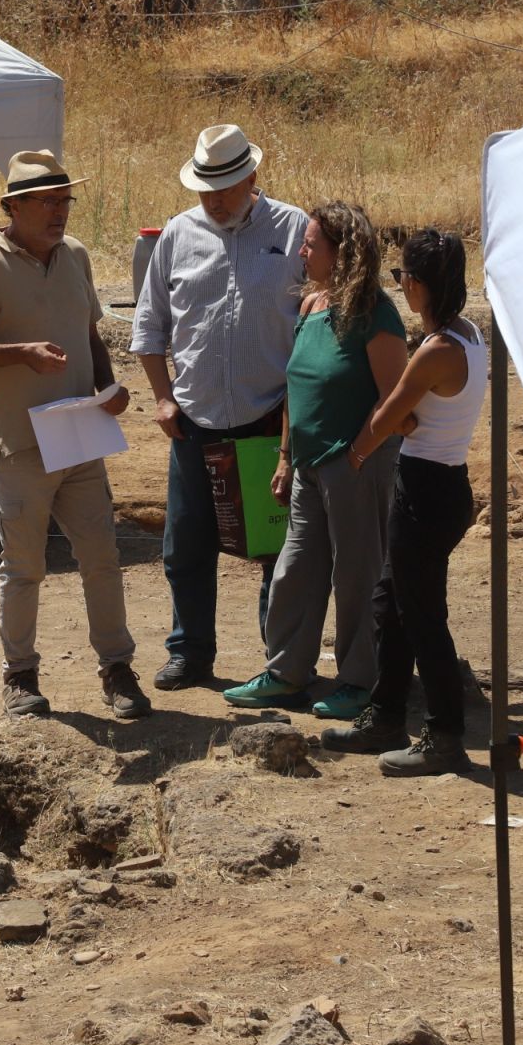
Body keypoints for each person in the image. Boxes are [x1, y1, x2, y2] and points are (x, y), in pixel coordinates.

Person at [0, 150, 151, 721]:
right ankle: (20, 675)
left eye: (65, 201)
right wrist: (18, 354)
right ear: (13, 206)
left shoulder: (73, 255)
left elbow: (90, 334)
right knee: (25, 566)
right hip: (19, 444)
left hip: (79, 433)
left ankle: (117, 669)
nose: (60, 212)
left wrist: (109, 387)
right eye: (47, 202)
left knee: (102, 556)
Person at [131, 125, 310, 692]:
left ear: (252, 178)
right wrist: (162, 397)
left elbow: (320, 318)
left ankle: (279, 661)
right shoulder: (178, 235)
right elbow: (150, 324)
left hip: (269, 418)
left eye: (227, 188)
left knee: (274, 548)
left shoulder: (295, 230)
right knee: (185, 544)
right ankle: (190, 653)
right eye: (206, 189)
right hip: (194, 418)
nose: (215, 200)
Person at [224, 201, 406, 720]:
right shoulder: (312, 306)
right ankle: (286, 673)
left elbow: (395, 398)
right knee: (296, 570)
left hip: (358, 465)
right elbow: (296, 389)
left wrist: (357, 454)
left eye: (311, 244)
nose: (301, 252)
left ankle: (359, 681)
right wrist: (285, 458)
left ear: (342, 252)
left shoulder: (376, 313)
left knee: (358, 576)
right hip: (309, 465)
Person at [323, 229, 485, 775]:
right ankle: (386, 714)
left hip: (425, 490)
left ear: (416, 284)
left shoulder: (436, 350)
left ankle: (444, 735)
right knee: (391, 605)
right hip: (441, 485)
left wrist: (354, 455)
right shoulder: (467, 336)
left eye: (401, 279)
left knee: (421, 617)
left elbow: (388, 417)